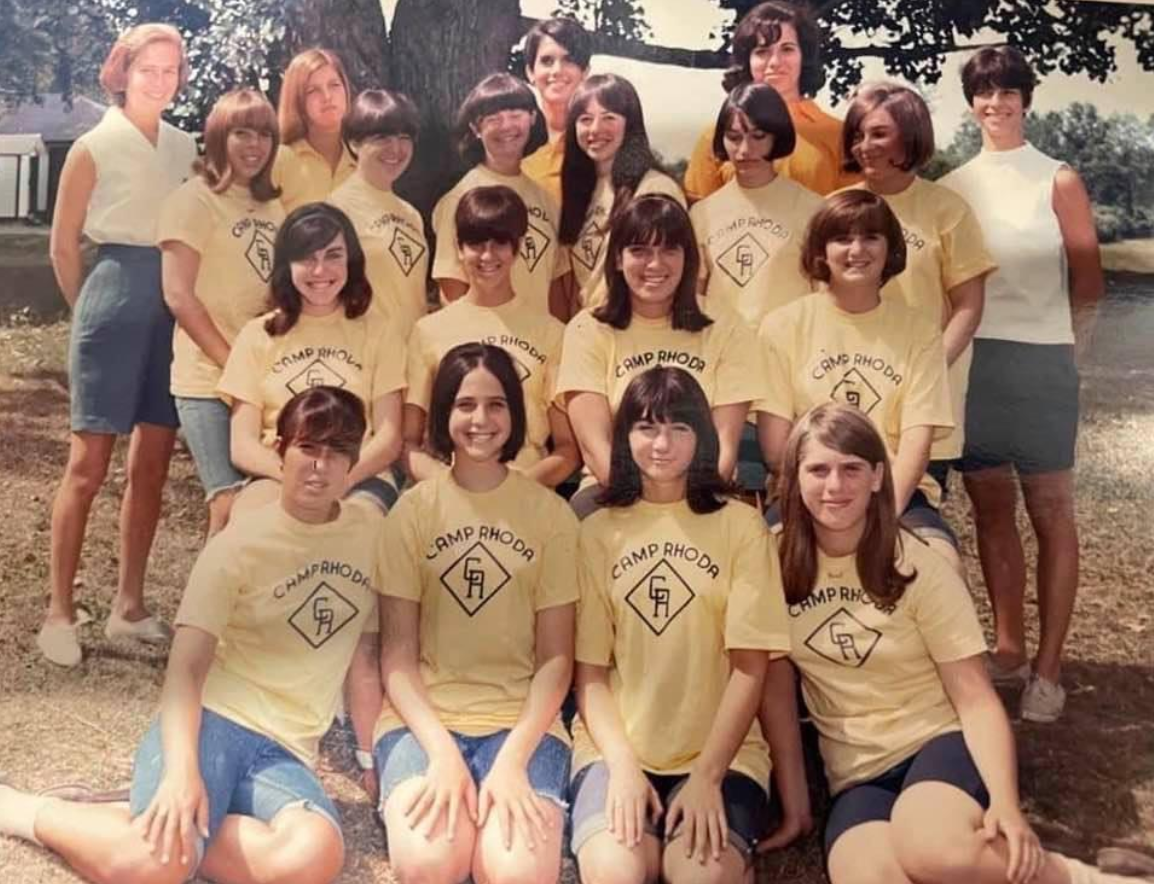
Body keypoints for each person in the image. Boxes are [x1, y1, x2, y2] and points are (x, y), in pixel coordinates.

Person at [0, 386, 386, 884]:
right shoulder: (239, 544)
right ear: (280, 450)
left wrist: (370, 757)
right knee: (156, 865)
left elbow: (363, 656)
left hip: (285, 750)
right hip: (213, 724)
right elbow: (185, 668)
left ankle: (152, 819)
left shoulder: (372, 538)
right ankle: (27, 811)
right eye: (307, 449)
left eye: (336, 453)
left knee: (311, 857)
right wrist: (183, 773)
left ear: (354, 461)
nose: (319, 467)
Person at [775, 402, 1132, 884]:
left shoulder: (918, 566)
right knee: (865, 875)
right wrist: (795, 798)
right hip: (857, 775)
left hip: (937, 742)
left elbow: (977, 699)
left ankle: (1083, 878)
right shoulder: (772, 566)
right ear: (794, 478)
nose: (835, 486)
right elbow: (771, 682)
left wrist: (1007, 805)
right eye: (818, 470)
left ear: (879, 476)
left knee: (933, 847)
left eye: (852, 469)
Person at [570, 366, 797, 884]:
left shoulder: (740, 526)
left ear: (705, 437)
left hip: (722, 753)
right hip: (618, 746)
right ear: (625, 436)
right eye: (646, 427)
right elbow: (591, 674)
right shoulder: (598, 532)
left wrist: (707, 776)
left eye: (681, 428)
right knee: (617, 873)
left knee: (695, 875)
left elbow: (750, 667)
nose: (662, 444)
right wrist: (623, 767)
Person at [939, 46, 1105, 722]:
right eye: (984, 92)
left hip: (1043, 361)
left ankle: (1049, 668)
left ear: (1025, 100)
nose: (996, 104)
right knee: (989, 510)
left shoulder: (1058, 179)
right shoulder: (954, 186)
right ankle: (1007, 649)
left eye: (1008, 92)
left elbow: (1089, 283)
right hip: (977, 363)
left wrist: (1074, 361)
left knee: (1051, 512)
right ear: (971, 101)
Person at [374, 343, 577, 884]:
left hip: (523, 728)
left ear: (515, 414)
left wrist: (512, 761)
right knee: (429, 862)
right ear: (443, 414)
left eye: (496, 405)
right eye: (465, 405)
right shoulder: (412, 512)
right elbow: (395, 653)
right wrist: (440, 754)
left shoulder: (552, 516)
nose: (480, 420)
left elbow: (557, 659)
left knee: (516, 873)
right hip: (424, 723)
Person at [40, 23, 198, 667]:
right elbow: (61, 243)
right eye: (147, 69)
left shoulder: (189, 147)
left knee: (153, 462)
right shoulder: (92, 146)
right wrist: (90, 315)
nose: (158, 81)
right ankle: (59, 612)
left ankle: (128, 606)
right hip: (111, 302)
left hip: (172, 304)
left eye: (169, 71)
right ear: (123, 73)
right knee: (88, 466)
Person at [755, 190, 961, 572]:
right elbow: (775, 448)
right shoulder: (782, 326)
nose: (857, 250)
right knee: (762, 569)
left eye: (870, 237)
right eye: (842, 238)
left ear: (890, 248)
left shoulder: (920, 332)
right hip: (806, 494)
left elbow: (917, 443)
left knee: (942, 566)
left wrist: (879, 521)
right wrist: (827, 508)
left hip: (894, 493)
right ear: (820, 250)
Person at [556, 194, 764, 518]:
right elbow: (595, 448)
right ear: (617, 259)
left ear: (688, 257)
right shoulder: (587, 329)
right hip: (613, 493)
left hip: (704, 493)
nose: (655, 264)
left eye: (669, 249)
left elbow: (723, 450)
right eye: (639, 251)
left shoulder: (725, 325)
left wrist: (687, 505)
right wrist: (645, 508)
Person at [841, 81, 996, 495]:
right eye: (857, 134)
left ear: (910, 135)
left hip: (920, 395)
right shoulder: (835, 206)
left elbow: (968, 306)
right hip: (847, 386)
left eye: (878, 133)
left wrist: (926, 369)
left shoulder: (948, 210)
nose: (864, 145)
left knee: (909, 516)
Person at [219, 203, 406, 516]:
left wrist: (341, 479)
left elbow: (388, 438)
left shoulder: (380, 331)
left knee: (358, 528)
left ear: (352, 261)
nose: (320, 271)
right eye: (307, 258)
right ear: (286, 266)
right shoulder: (257, 335)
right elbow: (242, 445)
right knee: (251, 520)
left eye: (333, 255)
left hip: (360, 476)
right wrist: (297, 477)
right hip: (278, 474)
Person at [159, 87, 284, 537]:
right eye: (242, 133)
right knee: (227, 503)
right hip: (207, 380)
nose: (255, 146)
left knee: (261, 502)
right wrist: (235, 364)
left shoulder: (275, 206)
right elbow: (178, 295)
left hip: (262, 379)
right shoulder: (192, 200)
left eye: (265, 135)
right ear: (217, 138)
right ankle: (204, 609)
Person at [404, 186, 580, 488]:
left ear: (518, 247)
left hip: (525, 493)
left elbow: (567, 449)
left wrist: (516, 488)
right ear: (459, 248)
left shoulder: (553, 333)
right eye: (475, 244)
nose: (487, 255)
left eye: (500, 243)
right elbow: (408, 443)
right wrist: (451, 486)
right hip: (447, 492)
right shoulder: (428, 331)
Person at [683, 1, 860, 201]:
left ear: (804, 57)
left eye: (787, 49)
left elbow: (855, 218)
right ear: (747, 61)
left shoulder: (839, 135)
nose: (775, 62)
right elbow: (699, 218)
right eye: (762, 51)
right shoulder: (715, 137)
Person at [431, 73, 567, 318]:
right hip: (487, 349)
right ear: (475, 128)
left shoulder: (546, 201)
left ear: (533, 118)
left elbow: (554, 283)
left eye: (515, 115)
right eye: (493, 118)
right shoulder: (459, 198)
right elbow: (450, 287)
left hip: (540, 347)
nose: (506, 126)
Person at [690, 81, 822, 328]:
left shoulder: (814, 209)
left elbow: (824, 298)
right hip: (725, 352)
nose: (744, 150)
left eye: (758, 136)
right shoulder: (701, 214)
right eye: (733, 137)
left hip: (788, 353)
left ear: (778, 136)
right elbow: (695, 298)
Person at [556, 73, 686, 317]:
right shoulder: (581, 190)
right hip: (592, 333)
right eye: (585, 119)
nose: (595, 129)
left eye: (609, 118)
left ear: (630, 123)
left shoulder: (655, 190)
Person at [329, 88, 430, 337]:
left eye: (404, 136)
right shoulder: (335, 211)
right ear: (354, 142)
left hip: (414, 357)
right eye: (382, 137)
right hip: (368, 359)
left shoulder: (411, 214)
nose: (395, 148)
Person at [272, 48, 355, 213]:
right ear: (297, 99)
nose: (327, 96)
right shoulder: (278, 162)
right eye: (313, 90)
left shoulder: (363, 163)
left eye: (334, 85)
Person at [521, 16, 592, 200]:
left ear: (585, 72)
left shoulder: (600, 142)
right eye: (547, 61)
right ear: (530, 72)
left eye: (569, 60)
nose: (557, 70)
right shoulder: (514, 141)